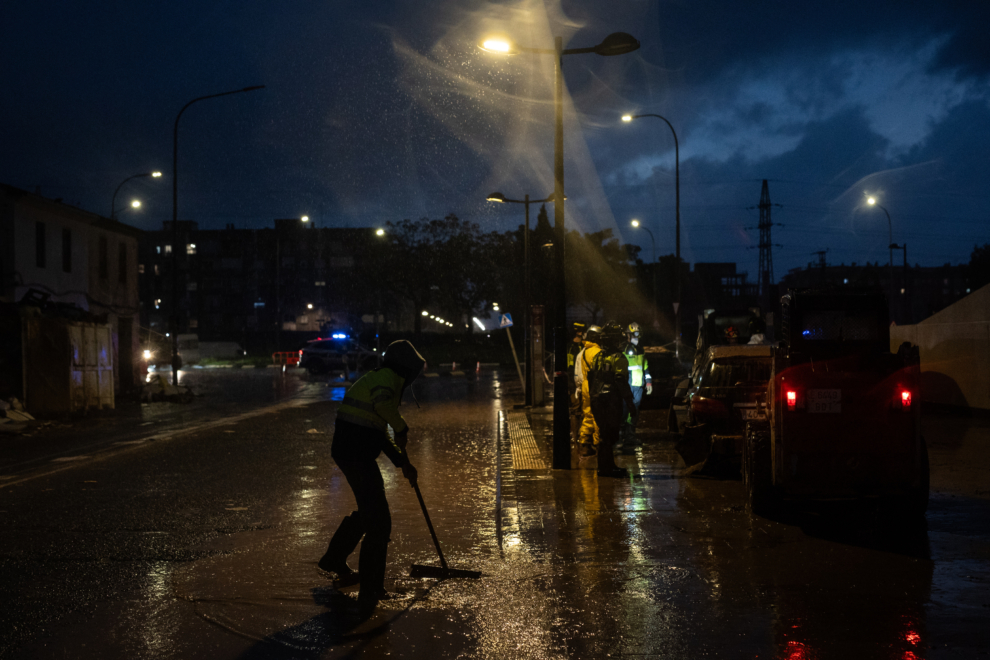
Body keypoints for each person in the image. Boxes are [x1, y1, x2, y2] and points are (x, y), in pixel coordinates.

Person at [318, 339, 425, 616]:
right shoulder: (386, 380)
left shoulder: (382, 378)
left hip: (353, 452)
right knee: (379, 521)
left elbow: (380, 433)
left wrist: (403, 463)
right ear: (405, 367)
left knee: (370, 512)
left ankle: (334, 559)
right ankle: (371, 589)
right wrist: (402, 426)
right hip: (354, 453)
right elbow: (383, 411)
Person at [587, 321, 637, 477]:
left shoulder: (597, 357)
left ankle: (605, 467)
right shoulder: (619, 358)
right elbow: (621, 382)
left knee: (604, 434)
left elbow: (591, 379)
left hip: (596, 400)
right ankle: (607, 469)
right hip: (611, 402)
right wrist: (630, 404)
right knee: (610, 435)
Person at [619, 322, 652, 452]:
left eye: (637, 335)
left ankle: (630, 436)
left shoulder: (641, 350)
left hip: (638, 385)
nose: (635, 337)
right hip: (627, 385)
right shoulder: (623, 349)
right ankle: (621, 437)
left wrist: (648, 382)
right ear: (627, 335)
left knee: (634, 412)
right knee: (624, 410)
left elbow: (645, 368)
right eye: (633, 334)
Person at [573, 325, 602, 457]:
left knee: (587, 415)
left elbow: (578, 374)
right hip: (596, 386)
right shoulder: (599, 352)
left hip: (585, 386)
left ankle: (584, 444)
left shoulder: (582, 352)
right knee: (598, 416)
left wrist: (578, 388)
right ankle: (598, 443)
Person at [566, 323, 587, 443]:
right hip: (575, 385)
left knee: (582, 410)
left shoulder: (580, 347)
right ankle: (576, 437)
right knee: (576, 410)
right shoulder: (572, 348)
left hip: (581, 384)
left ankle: (580, 435)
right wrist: (570, 386)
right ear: (579, 332)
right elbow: (570, 368)